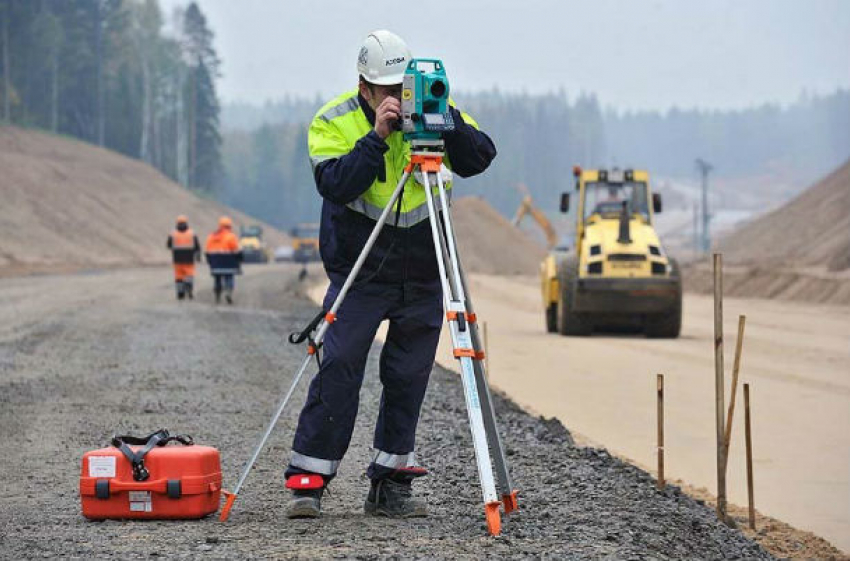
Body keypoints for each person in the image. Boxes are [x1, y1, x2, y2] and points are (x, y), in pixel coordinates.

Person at [284, 30, 496, 519]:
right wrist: (376, 138)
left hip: (422, 273)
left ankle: (391, 483)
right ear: (363, 87)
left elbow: (480, 157)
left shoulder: (432, 104)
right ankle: (309, 480)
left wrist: (450, 125)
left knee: (407, 376)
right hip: (360, 273)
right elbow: (334, 184)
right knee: (339, 367)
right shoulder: (332, 121)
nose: (396, 98)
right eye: (385, 89)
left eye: (401, 86)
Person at [205, 216, 241, 304]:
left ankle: (217, 295)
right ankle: (228, 292)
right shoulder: (231, 236)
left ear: (220, 225)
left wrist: (210, 262)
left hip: (216, 262)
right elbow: (236, 250)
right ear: (229, 226)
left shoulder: (211, 236)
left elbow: (207, 251)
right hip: (229, 262)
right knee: (229, 278)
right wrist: (239, 261)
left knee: (217, 279)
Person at [166, 215, 201, 300]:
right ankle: (189, 288)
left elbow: (168, 245)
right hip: (189, 258)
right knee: (189, 274)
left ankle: (180, 293)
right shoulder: (192, 233)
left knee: (179, 276)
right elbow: (197, 246)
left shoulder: (173, 234)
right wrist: (198, 256)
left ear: (177, 223)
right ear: (186, 222)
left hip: (177, 258)